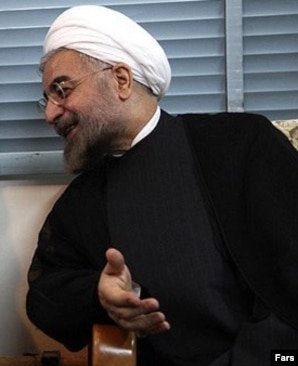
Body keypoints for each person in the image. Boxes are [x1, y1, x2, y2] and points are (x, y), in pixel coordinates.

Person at [26, 5, 298, 365]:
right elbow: (44, 296)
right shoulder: (83, 200)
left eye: (62, 89)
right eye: (48, 98)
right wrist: (99, 294)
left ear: (121, 80)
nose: (50, 114)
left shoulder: (240, 143)